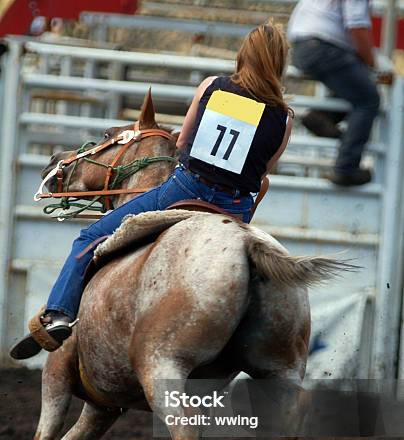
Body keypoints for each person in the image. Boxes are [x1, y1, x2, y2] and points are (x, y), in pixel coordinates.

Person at [11, 21, 293, 360]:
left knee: (89, 238)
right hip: (233, 209)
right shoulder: (284, 117)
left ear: (243, 56)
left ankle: (58, 314)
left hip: (187, 189)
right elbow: (263, 173)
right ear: (279, 64)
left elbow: (184, 141)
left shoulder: (213, 88)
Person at [288, 0, 380, 186]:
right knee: (368, 99)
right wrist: (372, 64)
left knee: (353, 88)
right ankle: (346, 168)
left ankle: (321, 117)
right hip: (323, 46)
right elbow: (356, 26)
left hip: (304, 46)